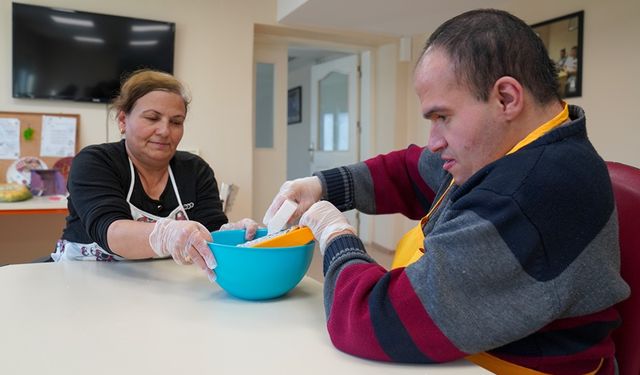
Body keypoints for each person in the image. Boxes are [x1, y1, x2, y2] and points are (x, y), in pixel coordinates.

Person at [263, 9, 629, 374]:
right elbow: (408, 170)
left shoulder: (527, 193)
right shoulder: (512, 147)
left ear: (505, 98)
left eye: (443, 117)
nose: (433, 142)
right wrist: (322, 185)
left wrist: (334, 233)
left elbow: (369, 320)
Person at [52, 69, 227, 282]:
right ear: (123, 120)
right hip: (84, 280)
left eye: (176, 122)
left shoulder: (195, 170)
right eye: (152, 118)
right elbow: (110, 231)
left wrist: (236, 235)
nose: (164, 131)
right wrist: (165, 235)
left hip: (165, 283)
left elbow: (213, 234)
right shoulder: (95, 162)